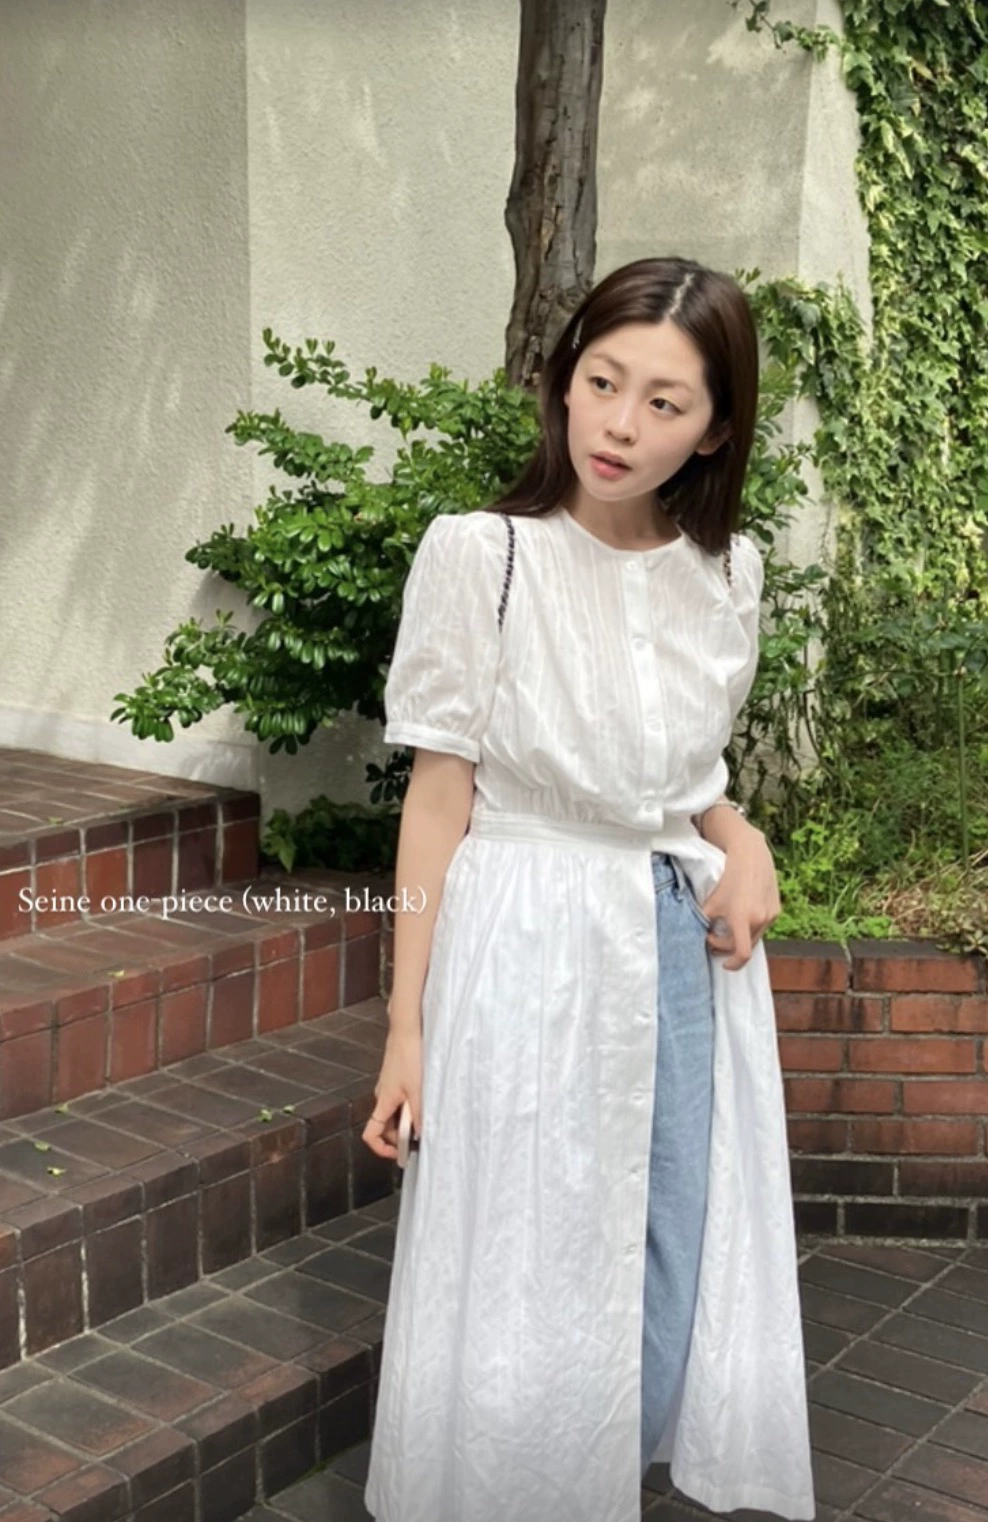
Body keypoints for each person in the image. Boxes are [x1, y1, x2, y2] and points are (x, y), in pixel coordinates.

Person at [361, 255, 816, 1522]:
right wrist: (405, 1026)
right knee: (528, 1246)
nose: (619, 424)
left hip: (672, 943)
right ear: (562, 381)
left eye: (664, 403)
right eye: (602, 382)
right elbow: (439, 799)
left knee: (665, 1242)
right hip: (523, 937)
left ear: (713, 428)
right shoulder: (485, 556)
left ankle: (603, 1484)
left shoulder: (727, 574)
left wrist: (743, 836)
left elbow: (677, 780)